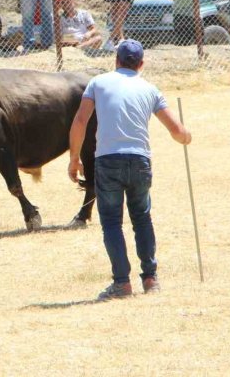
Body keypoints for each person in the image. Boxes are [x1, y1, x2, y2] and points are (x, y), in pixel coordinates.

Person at [68, 39, 192, 300]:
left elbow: (80, 120)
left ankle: (121, 283)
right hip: (139, 160)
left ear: (116, 61)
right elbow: (177, 132)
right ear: (142, 64)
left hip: (108, 160)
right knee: (142, 218)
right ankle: (150, 278)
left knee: (112, 222)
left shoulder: (98, 83)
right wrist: (186, 137)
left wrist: (74, 158)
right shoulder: (150, 89)